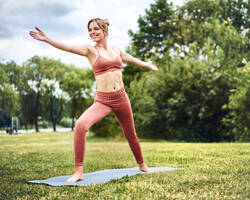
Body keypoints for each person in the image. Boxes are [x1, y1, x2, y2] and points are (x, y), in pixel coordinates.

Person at [29, 18, 158, 183]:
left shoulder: (116, 49)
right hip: (103, 100)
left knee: (130, 134)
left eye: (96, 29)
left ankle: (142, 165)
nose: (92, 32)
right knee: (81, 126)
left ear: (105, 31)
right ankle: (78, 172)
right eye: (90, 30)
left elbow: (130, 58)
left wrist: (146, 64)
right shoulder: (90, 50)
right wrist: (47, 39)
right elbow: (66, 47)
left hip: (121, 97)